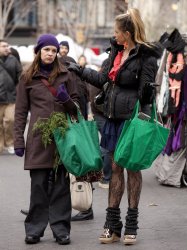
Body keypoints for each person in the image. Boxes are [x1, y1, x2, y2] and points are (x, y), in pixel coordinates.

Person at [69, 8, 162, 245]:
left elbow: (146, 96)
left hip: (132, 122)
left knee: (131, 168)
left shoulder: (146, 57)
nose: (114, 35)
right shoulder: (115, 52)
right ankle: (112, 224)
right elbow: (102, 80)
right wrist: (79, 70)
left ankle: (131, 224)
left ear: (128, 33)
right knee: (115, 167)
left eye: (117, 31)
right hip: (112, 118)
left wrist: (149, 91)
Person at [14, 34, 80, 245]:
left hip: (63, 137)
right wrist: (18, 141)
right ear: (38, 51)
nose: (51, 54)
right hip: (37, 138)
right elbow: (20, 112)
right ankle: (34, 229)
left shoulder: (66, 75)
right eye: (46, 50)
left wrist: (66, 99)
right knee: (39, 185)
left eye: (53, 50)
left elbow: (77, 110)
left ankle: (61, 229)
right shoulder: (27, 78)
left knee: (61, 185)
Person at [0, 39, 22, 154]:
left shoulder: (13, 60)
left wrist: (20, 89)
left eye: (7, 45)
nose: (6, 48)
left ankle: (9, 143)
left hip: (11, 97)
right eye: (3, 46)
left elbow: (20, 75)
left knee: (10, 120)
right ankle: (1, 144)